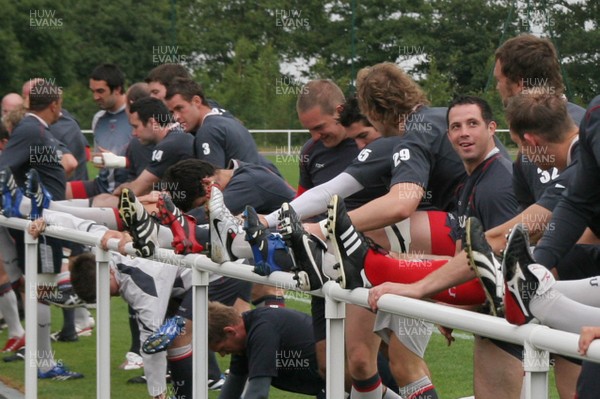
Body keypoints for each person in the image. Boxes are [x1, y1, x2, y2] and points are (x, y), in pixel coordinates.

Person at [164, 77, 281, 176]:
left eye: (180, 108)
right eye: (172, 112)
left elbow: (213, 184)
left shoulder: (208, 131)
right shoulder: (228, 119)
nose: (176, 117)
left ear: (196, 101)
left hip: (246, 198)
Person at [207, 301, 325, 398]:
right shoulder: (244, 335)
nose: (223, 355)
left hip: (339, 380)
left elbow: (258, 393)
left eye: (222, 349)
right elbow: (233, 387)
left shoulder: (262, 332)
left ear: (230, 331)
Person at [67, 63, 132, 199]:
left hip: (127, 191)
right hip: (100, 186)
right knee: (55, 189)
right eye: (93, 91)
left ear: (117, 89)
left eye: (100, 91)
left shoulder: (136, 115)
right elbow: (100, 163)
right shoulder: (98, 118)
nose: (95, 97)